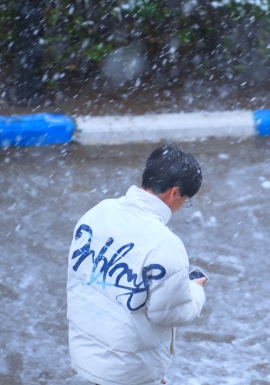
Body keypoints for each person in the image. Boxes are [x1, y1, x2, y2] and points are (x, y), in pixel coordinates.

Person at [67, 144, 207, 385]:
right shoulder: (164, 244)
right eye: (186, 199)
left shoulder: (99, 211)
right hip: (129, 370)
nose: (183, 205)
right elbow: (170, 313)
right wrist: (195, 290)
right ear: (175, 193)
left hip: (85, 354)